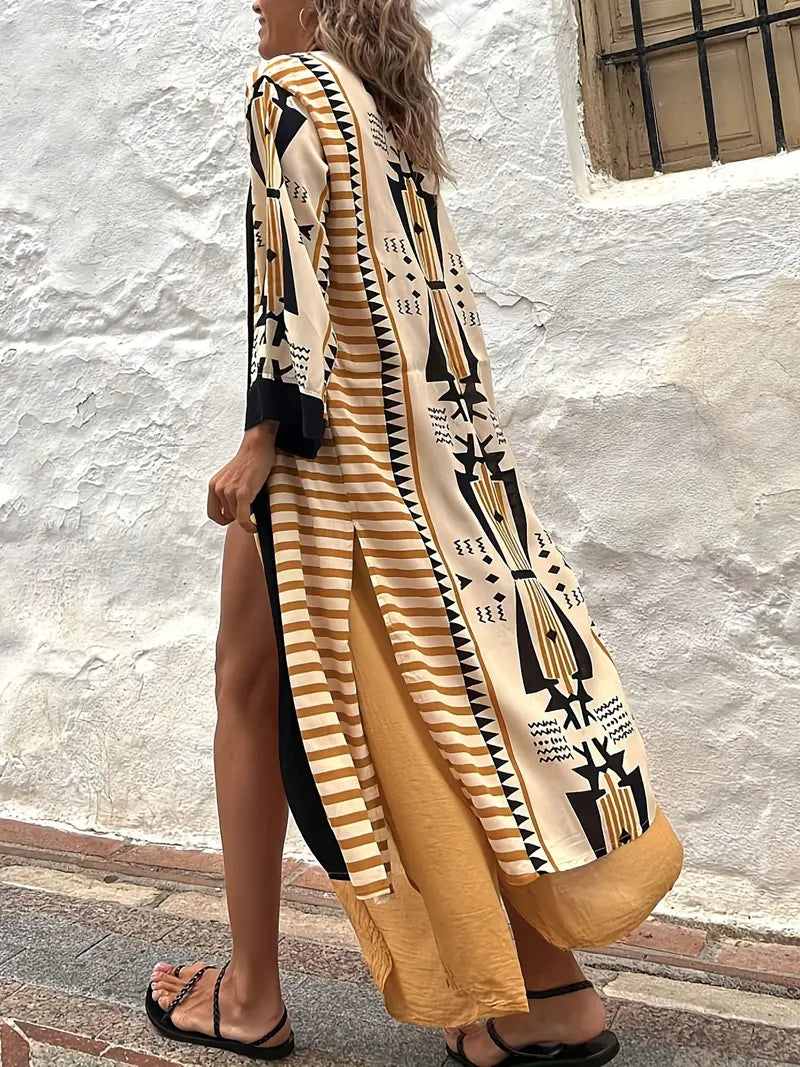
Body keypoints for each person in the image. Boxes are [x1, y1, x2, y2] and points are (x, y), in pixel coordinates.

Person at [146, 1, 685, 1063]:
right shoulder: (393, 119)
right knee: (430, 712)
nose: (251, 4)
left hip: (325, 469)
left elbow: (286, 275)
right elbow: (437, 318)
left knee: (287, 707)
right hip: (427, 474)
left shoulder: (291, 87)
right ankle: (545, 991)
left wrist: (261, 436)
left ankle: (256, 996)